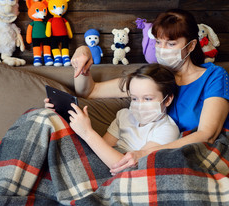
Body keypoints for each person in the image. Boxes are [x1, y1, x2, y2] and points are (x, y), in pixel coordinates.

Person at [70, 9, 229, 174]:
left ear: (191, 45)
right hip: (161, 157)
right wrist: (82, 54)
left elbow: (207, 135)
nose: (162, 49)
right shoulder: (153, 77)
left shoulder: (213, 76)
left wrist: (145, 153)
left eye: (171, 44)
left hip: (204, 152)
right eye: (158, 42)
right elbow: (90, 91)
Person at [45, 64, 180, 169]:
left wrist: (87, 132)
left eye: (148, 99)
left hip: (118, 172)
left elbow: (126, 166)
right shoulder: (124, 115)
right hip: (102, 161)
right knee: (46, 118)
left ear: (167, 100)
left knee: (41, 120)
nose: (139, 105)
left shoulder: (167, 129)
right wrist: (59, 115)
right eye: (134, 98)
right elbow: (101, 149)